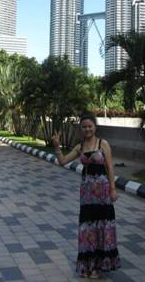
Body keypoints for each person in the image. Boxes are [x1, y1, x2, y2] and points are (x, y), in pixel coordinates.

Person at [52, 114, 121, 279]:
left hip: (102, 194)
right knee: (88, 229)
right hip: (87, 195)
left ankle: (98, 267)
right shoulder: (80, 146)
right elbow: (63, 161)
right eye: (84, 127)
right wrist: (57, 146)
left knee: (101, 227)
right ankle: (88, 265)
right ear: (81, 128)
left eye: (90, 126)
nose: (87, 129)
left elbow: (110, 168)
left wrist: (113, 189)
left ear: (95, 127)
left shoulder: (103, 144)